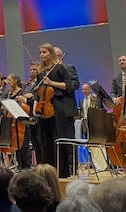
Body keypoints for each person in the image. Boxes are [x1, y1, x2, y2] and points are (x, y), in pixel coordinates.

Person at [36, 43, 75, 178]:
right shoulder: (41, 71)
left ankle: (62, 171)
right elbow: (39, 91)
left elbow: (68, 86)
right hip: (44, 107)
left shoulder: (60, 68)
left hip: (58, 106)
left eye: (44, 52)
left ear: (51, 53)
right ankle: (48, 171)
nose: (41, 55)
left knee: (57, 138)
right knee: (45, 140)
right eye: (40, 52)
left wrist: (51, 83)